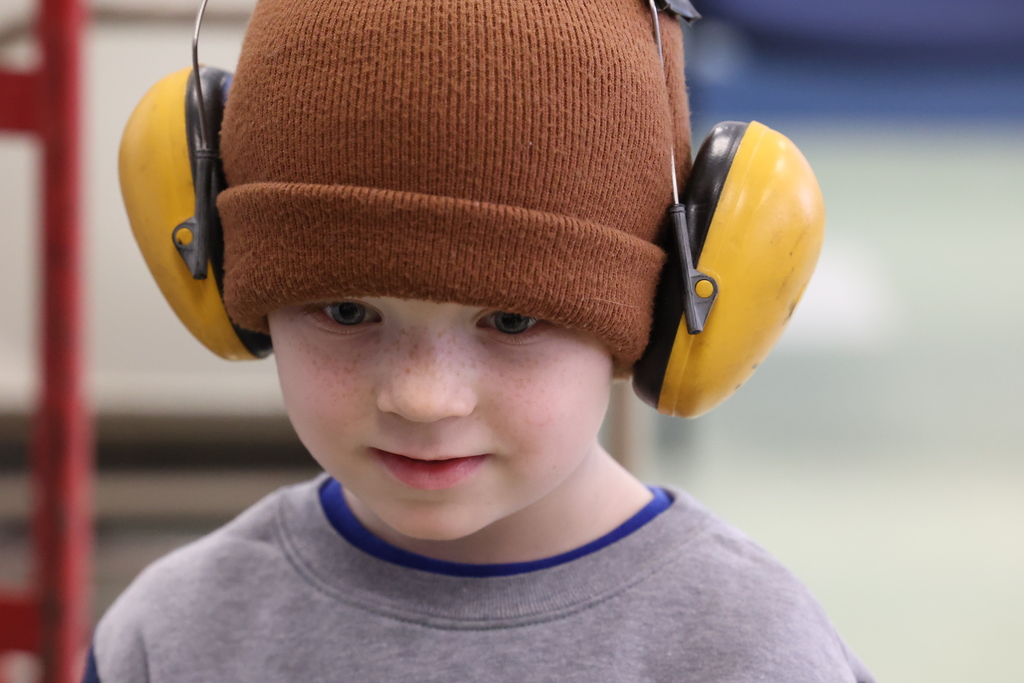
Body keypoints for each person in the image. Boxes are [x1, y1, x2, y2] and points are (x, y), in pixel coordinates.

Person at [87, 0, 875, 680]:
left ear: (667, 311)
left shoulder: (751, 654)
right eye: (348, 312)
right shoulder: (173, 638)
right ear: (224, 285)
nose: (423, 398)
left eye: (511, 320)